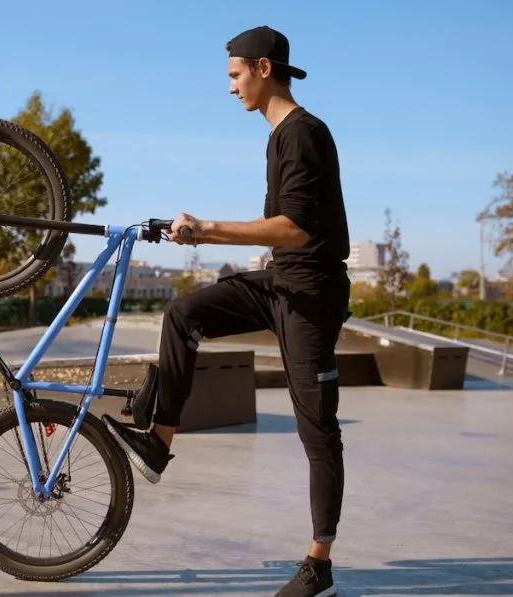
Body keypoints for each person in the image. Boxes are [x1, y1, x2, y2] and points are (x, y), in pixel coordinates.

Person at [102, 25, 350, 597]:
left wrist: (208, 229)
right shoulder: (277, 136)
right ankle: (159, 442)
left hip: (311, 296)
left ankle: (320, 562)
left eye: (235, 75)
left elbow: (294, 228)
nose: (230, 87)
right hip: (280, 282)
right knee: (184, 313)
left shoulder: (305, 134)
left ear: (263, 69)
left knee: (318, 429)